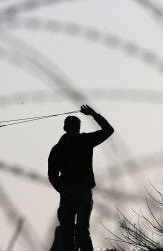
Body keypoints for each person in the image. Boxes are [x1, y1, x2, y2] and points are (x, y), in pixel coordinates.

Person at [48, 105, 114, 251]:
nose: (74, 130)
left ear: (78, 128)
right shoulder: (58, 149)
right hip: (68, 196)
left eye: (76, 127)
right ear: (65, 128)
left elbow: (109, 131)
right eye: (72, 127)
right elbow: (52, 175)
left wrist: (93, 114)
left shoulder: (85, 140)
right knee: (67, 233)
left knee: (81, 231)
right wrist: (63, 189)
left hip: (83, 193)